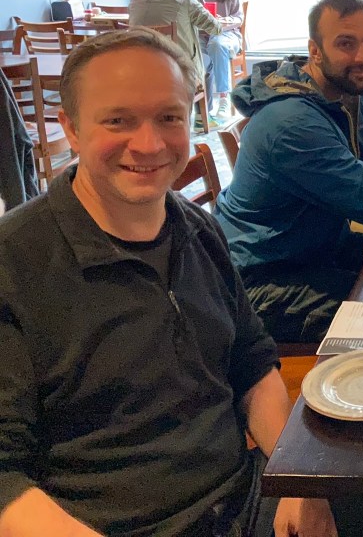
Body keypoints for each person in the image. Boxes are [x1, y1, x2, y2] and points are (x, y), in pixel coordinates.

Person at [0, 28, 335, 536]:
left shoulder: (197, 228)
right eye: (118, 120)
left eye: (169, 118)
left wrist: (296, 477)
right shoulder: (15, 261)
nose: (150, 144)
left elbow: (251, 362)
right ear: (71, 128)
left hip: (241, 499)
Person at [215, 0, 363, 342]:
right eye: (346, 44)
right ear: (315, 51)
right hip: (259, 281)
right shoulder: (292, 123)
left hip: (315, 250)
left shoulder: (348, 96)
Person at [128, 0, 221, 121]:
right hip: (178, 68)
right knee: (209, 63)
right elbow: (214, 27)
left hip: (142, 67)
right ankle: (201, 118)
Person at [185, 0, 244, 121]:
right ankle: (203, 110)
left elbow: (239, 18)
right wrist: (207, 21)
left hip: (227, 34)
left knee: (217, 45)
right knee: (198, 57)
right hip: (201, 35)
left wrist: (224, 21)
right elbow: (186, 15)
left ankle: (224, 98)